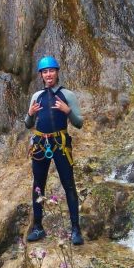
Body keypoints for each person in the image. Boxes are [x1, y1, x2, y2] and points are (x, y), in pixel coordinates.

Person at [25, 55, 84, 245]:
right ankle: (38, 227)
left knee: (69, 185)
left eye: (51, 71)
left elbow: (79, 123)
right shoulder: (36, 97)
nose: (48, 74)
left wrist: (68, 111)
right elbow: (28, 124)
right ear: (41, 75)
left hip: (60, 143)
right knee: (38, 186)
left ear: (57, 72)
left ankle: (75, 229)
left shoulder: (68, 95)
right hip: (41, 144)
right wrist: (30, 114)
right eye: (45, 72)